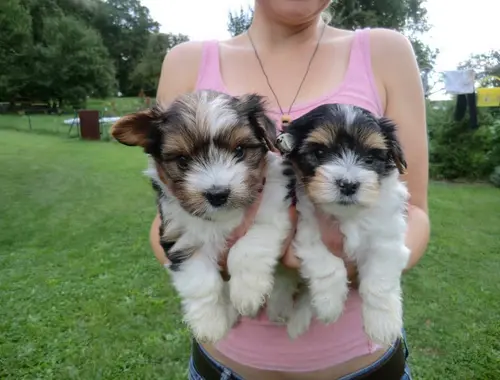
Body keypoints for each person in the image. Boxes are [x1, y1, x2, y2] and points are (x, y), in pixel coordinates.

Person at [149, 0, 430, 378]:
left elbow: (414, 212)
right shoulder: (185, 60)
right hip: (222, 364)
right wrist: (226, 258)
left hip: (366, 365)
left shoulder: (385, 51)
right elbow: (166, 218)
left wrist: (345, 265)